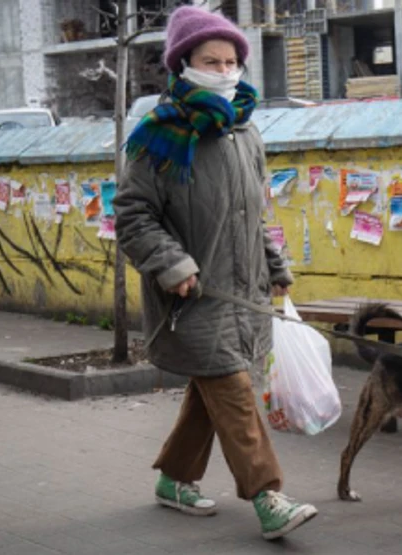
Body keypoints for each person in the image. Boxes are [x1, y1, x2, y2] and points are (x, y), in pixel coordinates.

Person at [113, 5, 317, 541]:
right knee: (232, 389)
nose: (225, 71)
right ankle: (268, 495)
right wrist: (172, 265)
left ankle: (174, 479)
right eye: (212, 60)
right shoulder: (157, 135)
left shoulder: (244, 131)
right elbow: (133, 214)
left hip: (244, 291)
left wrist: (276, 265)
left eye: (232, 61)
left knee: (214, 388)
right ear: (184, 64)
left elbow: (257, 211)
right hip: (192, 297)